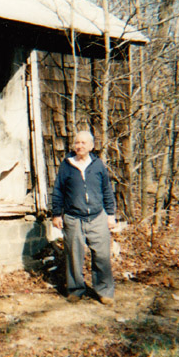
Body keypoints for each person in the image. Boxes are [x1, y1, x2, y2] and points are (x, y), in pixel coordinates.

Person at [50, 130, 116, 305]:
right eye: (77, 142)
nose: (79, 146)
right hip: (73, 218)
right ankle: (75, 290)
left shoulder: (98, 165)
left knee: (101, 255)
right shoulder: (67, 165)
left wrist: (110, 215)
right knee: (73, 256)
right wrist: (57, 214)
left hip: (97, 217)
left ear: (91, 146)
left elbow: (107, 191)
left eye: (83, 143)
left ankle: (104, 291)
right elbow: (58, 191)